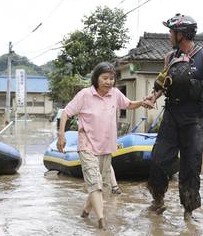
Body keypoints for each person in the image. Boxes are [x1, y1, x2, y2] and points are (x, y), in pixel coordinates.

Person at [143, 13, 203, 220]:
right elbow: (163, 84)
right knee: (158, 160)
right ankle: (158, 201)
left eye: (171, 31)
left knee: (191, 165)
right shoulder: (169, 57)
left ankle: (188, 211)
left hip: (194, 118)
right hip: (171, 114)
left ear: (181, 34)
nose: (169, 35)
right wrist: (153, 96)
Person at [57, 62, 146, 230]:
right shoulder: (85, 95)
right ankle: (101, 220)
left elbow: (129, 104)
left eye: (112, 78)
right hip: (87, 145)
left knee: (103, 186)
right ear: (96, 78)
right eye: (105, 78)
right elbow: (66, 113)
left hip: (106, 146)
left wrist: (142, 102)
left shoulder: (115, 94)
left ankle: (85, 211)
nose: (109, 82)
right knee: (95, 182)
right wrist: (61, 136)